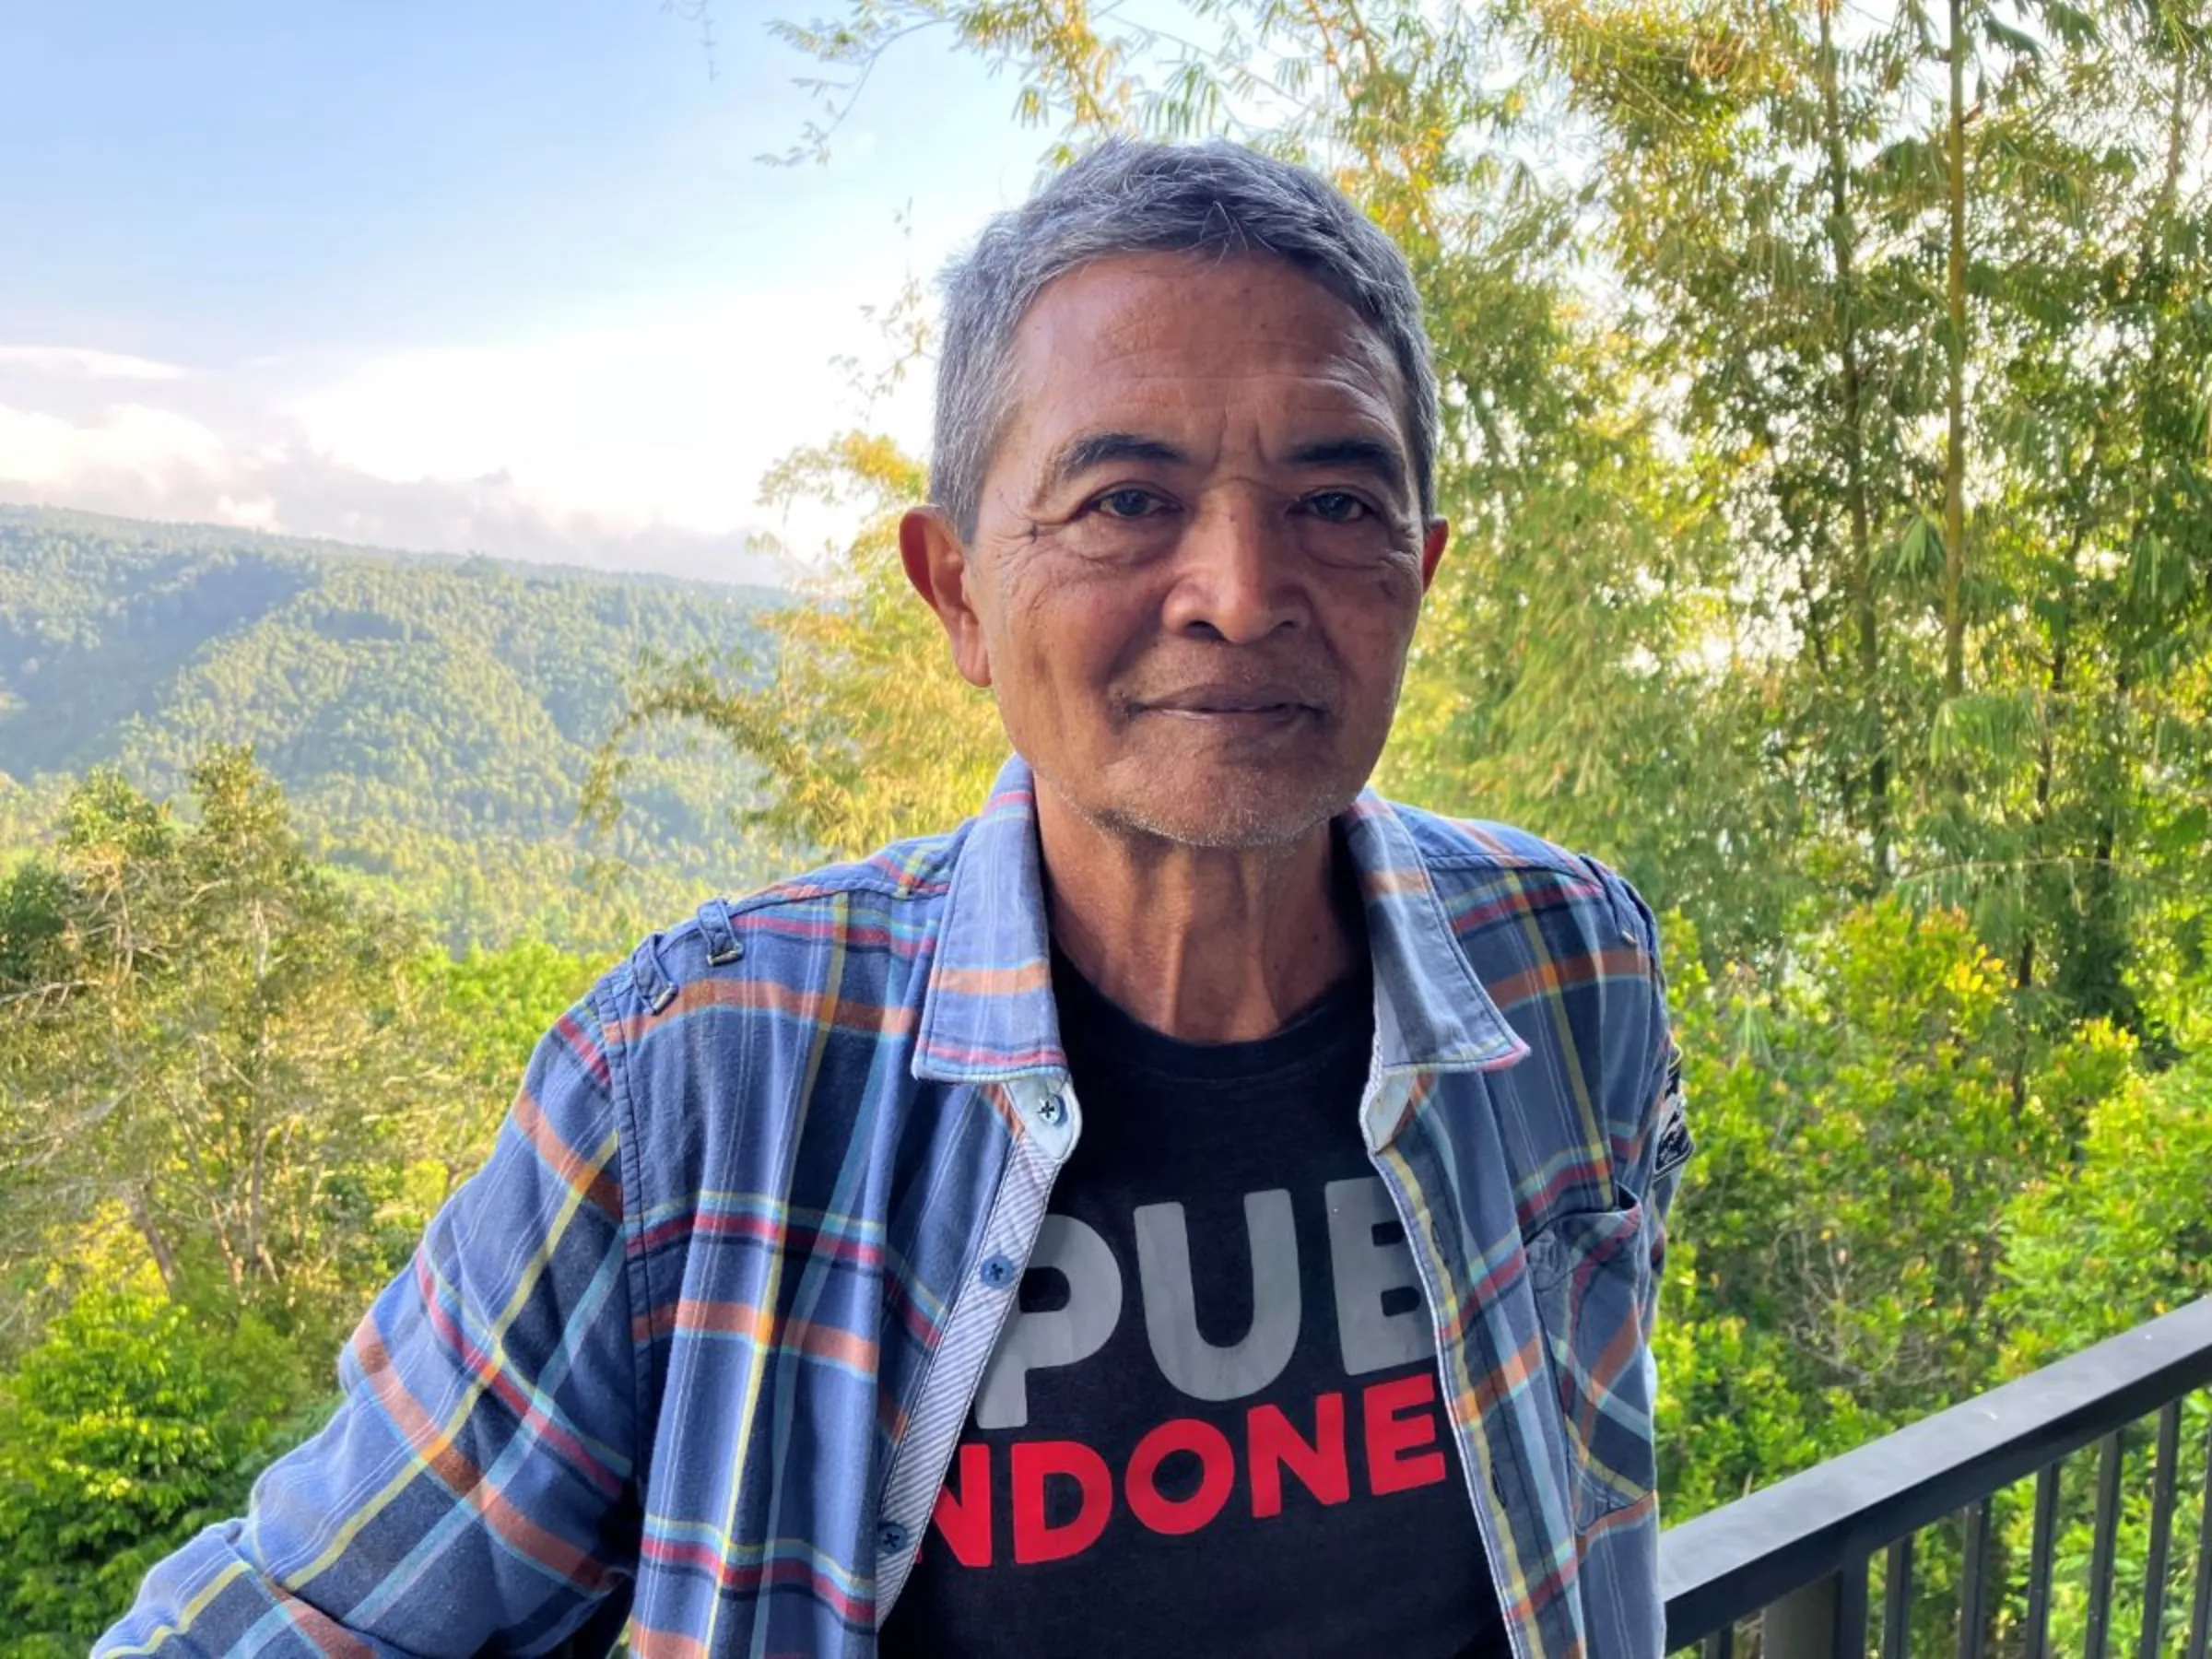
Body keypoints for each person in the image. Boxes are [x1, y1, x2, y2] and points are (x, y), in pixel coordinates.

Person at [100, 138, 1692, 1659]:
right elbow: (315, 1612)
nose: (1240, 589)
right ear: (958, 593)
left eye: (1334, 504)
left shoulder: (1568, 973)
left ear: (1420, 569)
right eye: (1125, 502)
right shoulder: (699, 1087)